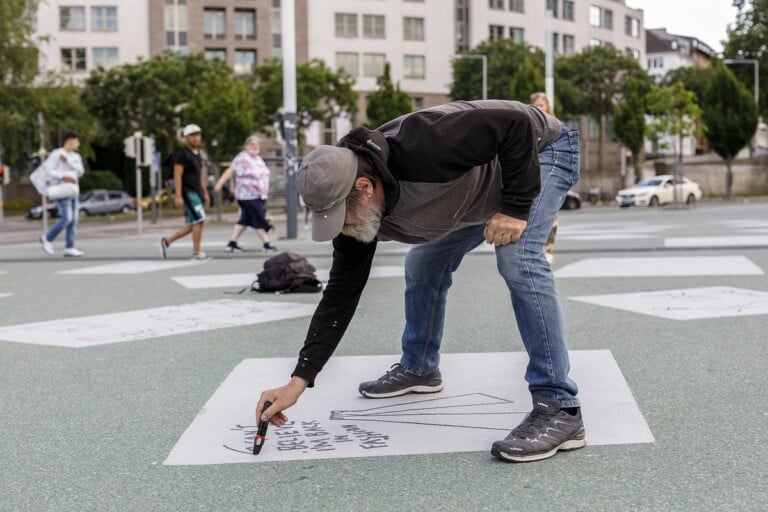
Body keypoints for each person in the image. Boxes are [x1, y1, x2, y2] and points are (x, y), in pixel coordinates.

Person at [256, 100, 583, 463]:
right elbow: (340, 295)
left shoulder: (424, 145)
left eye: (340, 216)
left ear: (364, 187)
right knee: (424, 262)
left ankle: (559, 406)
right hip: (477, 189)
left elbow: (515, 124)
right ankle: (420, 367)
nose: (342, 228)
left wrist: (517, 207)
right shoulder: (353, 203)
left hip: (541, 149)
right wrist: (298, 380)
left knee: (519, 259)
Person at [214, 135, 277, 253]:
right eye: (252, 144)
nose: (255, 147)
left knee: (245, 219)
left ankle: (232, 243)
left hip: (259, 195)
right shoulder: (242, 158)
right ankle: (266, 243)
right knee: (258, 218)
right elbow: (231, 170)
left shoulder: (258, 159)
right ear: (246, 145)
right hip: (247, 195)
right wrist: (220, 183)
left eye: (256, 145)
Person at [159, 124, 211, 261]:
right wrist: (178, 196)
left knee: (193, 224)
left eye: (198, 135)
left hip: (196, 192)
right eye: (192, 135)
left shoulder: (198, 154)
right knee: (200, 219)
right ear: (186, 138)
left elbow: (199, 176)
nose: (196, 138)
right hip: (187, 192)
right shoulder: (181, 154)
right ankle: (196, 253)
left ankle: (167, 242)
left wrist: (205, 193)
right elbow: (177, 175)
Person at [40, 131, 85, 257]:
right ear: (69, 141)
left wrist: (68, 162)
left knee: (73, 220)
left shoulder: (76, 157)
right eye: (76, 141)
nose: (78, 144)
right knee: (67, 218)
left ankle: (69, 247)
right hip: (61, 189)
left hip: (73, 190)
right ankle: (47, 238)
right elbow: (46, 170)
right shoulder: (56, 154)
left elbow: (80, 172)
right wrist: (62, 176)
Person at [530, 91, 559, 265]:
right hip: (534, 175)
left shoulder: (556, 126)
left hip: (551, 175)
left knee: (551, 215)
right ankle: (534, 249)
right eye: (535, 105)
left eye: (541, 105)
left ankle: (548, 250)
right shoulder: (529, 125)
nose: (538, 108)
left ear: (547, 106)